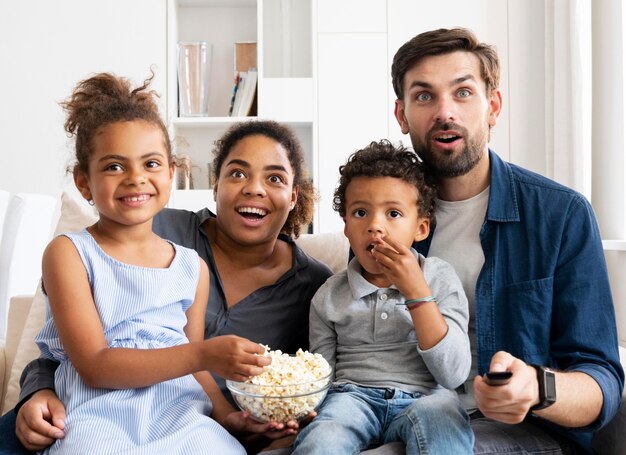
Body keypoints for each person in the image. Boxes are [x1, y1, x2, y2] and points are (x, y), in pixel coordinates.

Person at [0, 114, 333, 451]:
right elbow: (66, 348)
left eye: (274, 178)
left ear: (293, 195)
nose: (254, 188)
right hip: (90, 407)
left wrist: (232, 418)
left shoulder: (315, 286)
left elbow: (334, 376)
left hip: (187, 415)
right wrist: (37, 390)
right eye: (237, 173)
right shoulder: (140, 223)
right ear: (215, 184)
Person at [391, 27, 624, 453]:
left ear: (492, 106)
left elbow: (602, 382)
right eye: (424, 96)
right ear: (402, 116)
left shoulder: (562, 214)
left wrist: (537, 388)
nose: (446, 112)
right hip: (402, 418)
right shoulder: (380, 217)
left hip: (522, 433)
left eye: (462, 93)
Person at [29, 71, 274, 453]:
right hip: (96, 411)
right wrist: (204, 354)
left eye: (151, 164)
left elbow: (193, 365)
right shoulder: (68, 253)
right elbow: (94, 364)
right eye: (114, 166)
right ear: (83, 182)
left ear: (173, 173)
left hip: (181, 411)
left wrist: (228, 417)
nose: (135, 178)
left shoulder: (192, 267)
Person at [292, 140, 474, 454]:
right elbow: (321, 376)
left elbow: (454, 373)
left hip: (429, 396)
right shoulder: (329, 295)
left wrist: (417, 293)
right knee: (321, 440)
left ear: (421, 228)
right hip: (351, 397)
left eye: (393, 213)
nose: (375, 226)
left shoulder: (439, 278)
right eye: (361, 212)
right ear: (346, 227)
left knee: (444, 428)